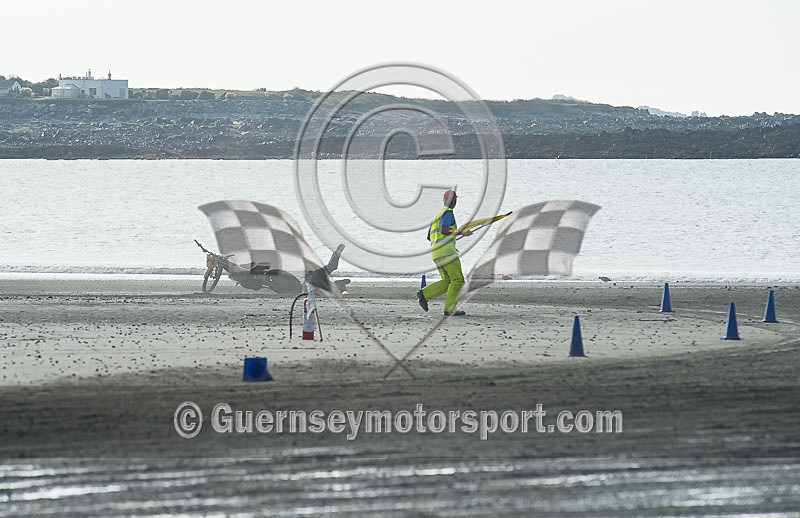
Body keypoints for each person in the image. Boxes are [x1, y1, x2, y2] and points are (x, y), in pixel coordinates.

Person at [417, 190, 473, 316]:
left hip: (436, 253)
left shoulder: (437, 215)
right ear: (453, 201)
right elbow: (444, 230)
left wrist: (451, 236)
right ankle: (450, 309)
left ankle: (424, 294)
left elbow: (429, 236)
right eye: (455, 200)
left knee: (448, 280)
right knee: (458, 280)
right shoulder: (448, 212)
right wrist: (461, 232)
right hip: (447, 253)